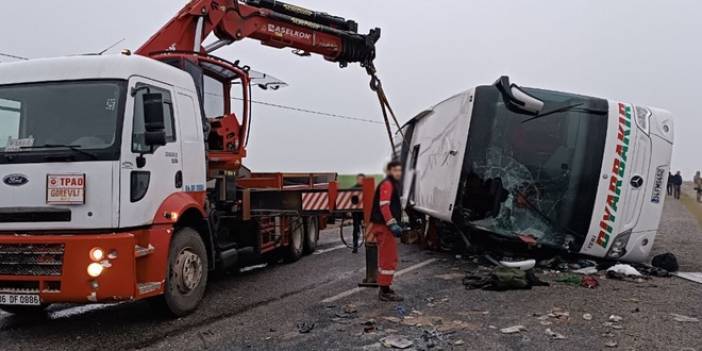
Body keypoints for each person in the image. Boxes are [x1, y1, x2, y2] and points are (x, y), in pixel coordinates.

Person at [370, 161, 404, 302]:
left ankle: (386, 288)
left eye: (399, 170)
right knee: (388, 258)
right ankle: (384, 291)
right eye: (395, 170)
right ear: (389, 171)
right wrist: (392, 224)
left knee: (389, 257)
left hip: (383, 226)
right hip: (384, 227)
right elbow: (384, 206)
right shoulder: (388, 184)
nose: (398, 173)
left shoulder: (389, 184)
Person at [351, 174, 365, 253]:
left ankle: (371, 244)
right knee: (356, 228)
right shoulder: (353, 189)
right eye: (359, 179)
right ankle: (355, 246)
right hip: (356, 212)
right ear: (357, 179)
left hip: (365, 211)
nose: (361, 181)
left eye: (362, 179)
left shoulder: (367, 188)